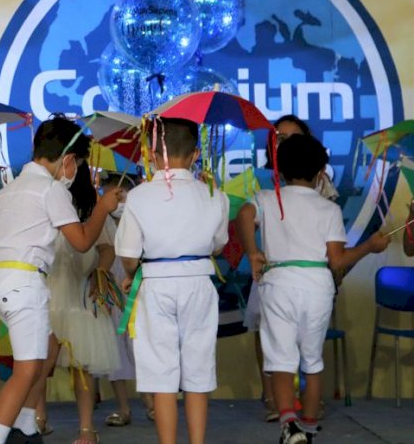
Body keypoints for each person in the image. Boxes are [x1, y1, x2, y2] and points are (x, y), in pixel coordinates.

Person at [0, 115, 121, 444]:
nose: (75, 172)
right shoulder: (51, 189)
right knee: (27, 370)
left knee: (48, 347)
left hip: (0, 281)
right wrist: (102, 210)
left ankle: (26, 428)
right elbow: (82, 241)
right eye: (77, 165)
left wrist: (14, 245)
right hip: (24, 286)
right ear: (68, 159)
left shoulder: (14, 187)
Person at [237, 134, 390, 444]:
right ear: (322, 172)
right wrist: (370, 247)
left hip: (278, 284)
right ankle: (307, 426)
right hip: (317, 287)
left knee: (281, 361)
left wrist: (253, 251)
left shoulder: (268, 198)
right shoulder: (328, 210)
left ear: (278, 170)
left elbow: (243, 215)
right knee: (312, 361)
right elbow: (337, 261)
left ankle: (289, 424)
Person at [115, 118, 229, 444]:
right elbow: (218, 244)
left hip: (155, 284)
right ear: (195, 155)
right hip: (198, 283)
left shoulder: (138, 196)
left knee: (161, 373)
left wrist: (130, 275)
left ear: (151, 154)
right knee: (197, 369)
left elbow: (128, 252)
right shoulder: (215, 195)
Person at [247, 114, 336, 422]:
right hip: (274, 273)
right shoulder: (263, 185)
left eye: (291, 137)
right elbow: (248, 214)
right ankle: (275, 399)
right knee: (271, 338)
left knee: (300, 351)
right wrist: (254, 251)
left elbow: (332, 247)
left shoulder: (324, 193)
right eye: (279, 137)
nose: (285, 142)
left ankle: (296, 412)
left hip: (308, 278)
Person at [37, 161, 122, 444]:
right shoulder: (44, 196)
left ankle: (87, 429)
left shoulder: (92, 206)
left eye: (70, 164)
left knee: (82, 365)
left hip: (80, 292)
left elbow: (107, 248)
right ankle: (38, 418)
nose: (64, 171)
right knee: (39, 361)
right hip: (48, 291)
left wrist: (100, 273)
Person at [100, 171, 155, 428]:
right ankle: (123, 408)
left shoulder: (143, 218)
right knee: (114, 351)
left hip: (138, 289)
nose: (119, 201)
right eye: (114, 195)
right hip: (109, 292)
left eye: (123, 195)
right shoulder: (100, 221)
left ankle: (151, 403)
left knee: (141, 347)